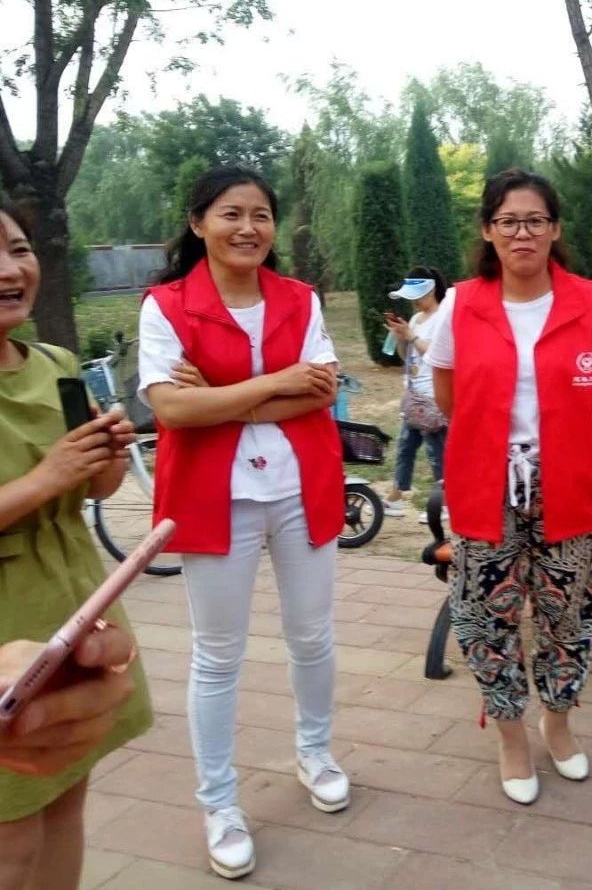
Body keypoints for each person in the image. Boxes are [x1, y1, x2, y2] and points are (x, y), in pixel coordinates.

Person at [138, 166, 347, 880]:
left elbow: (321, 392)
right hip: (213, 494)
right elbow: (172, 409)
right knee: (218, 654)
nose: (248, 228)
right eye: (231, 213)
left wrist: (222, 398)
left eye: (261, 214)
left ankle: (315, 753)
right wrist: (276, 384)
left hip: (300, 487)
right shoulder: (167, 306)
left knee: (312, 636)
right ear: (198, 222)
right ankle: (220, 804)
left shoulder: (299, 299)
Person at [429, 169, 592, 806]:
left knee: (568, 613)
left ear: (555, 229)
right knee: (486, 615)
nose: (523, 233)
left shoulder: (588, 302)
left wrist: (550, 444)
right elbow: (449, 395)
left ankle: (558, 724)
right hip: (485, 479)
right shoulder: (462, 305)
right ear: (489, 231)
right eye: (509, 221)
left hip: (566, 479)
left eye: (536, 221)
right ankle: (511, 735)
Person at [0, 199, 152, 890]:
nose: (11, 270)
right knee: (11, 840)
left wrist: (107, 454)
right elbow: (54, 480)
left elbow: (95, 488)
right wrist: (45, 478)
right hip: (7, 626)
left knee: (67, 793)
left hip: (73, 605)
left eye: (19, 249)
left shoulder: (56, 363)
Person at [383, 266, 450, 524]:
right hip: (414, 397)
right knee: (405, 448)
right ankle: (396, 497)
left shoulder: (443, 317)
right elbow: (406, 357)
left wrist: (411, 336)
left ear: (431, 291)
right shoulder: (415, 319)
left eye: (417, 296)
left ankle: (446, 503)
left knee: (436, 453)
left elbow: (436, 355)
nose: (413, 302)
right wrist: (401, 337)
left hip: (434, 396)